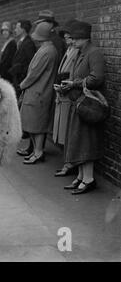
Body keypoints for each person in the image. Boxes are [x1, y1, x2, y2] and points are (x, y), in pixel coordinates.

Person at [62, 20, 105, 194]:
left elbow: (97, 78)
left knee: (86, 141)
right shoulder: (82, 52)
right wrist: (68, 86)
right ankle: (81, 176)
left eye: (75, 38)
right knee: (79, 141)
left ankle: (89, 179)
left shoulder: (93, 53)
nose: (71, 41)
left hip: (88, 105)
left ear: (84, 38)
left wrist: (74, 83)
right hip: (79, 103)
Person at [19, 22, 59, 164]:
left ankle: (38, 152)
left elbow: (34, 73)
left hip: (38, 93)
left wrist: (22, 85)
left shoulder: (46, 51)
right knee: (34, 124)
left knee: (37, 125)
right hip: (39, 92)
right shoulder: (48, 49)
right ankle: (36, 152)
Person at [53, 19, 80, 177]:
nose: (67, 40)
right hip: (62, 93)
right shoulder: (69, 50)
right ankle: (67, 162)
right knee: (62, 131)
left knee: (67, 131)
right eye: (66, 37)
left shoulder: (76, 52)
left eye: (70, 37)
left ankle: (70, 164)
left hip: (68, 95)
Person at [9, 20, 37, 157]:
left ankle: (33, 147)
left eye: (17, 26)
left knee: (27, 114)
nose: (15, 29)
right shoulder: (22, 41)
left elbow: (31, 65)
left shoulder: (28, 43)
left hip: (22, 81)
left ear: (24, 29)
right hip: (18, 80)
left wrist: (19, 70)